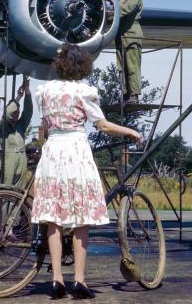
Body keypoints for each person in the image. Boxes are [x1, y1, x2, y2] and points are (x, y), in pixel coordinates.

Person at [31, 44, 142, 299]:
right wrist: (129, 131)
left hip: (52, 151)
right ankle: (79, 280)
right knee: (81, 218)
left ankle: (57, 279)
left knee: (54, 218)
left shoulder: (45, 91)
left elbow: (45, 125)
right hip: (75, 150)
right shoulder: (84, 91)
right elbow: (102, 125)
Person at [0, 75, 33, 186]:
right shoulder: (3, 126)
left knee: (18, 191)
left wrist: (26, 90)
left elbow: (28, 111)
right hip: (8, 159)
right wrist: (18, 97)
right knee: (5, 190)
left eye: (18, 112)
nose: (17, 114)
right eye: (15, 111)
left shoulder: (21, 125)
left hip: (21, 159)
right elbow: (7, 113)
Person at [115, 0, 143, 104]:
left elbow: (124, 10)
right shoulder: (119, 0)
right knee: (122, 68)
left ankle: (134, 95)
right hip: (121, 37)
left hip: (132, 36)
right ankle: (126, 94)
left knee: (132, 67)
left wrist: (109, 9)